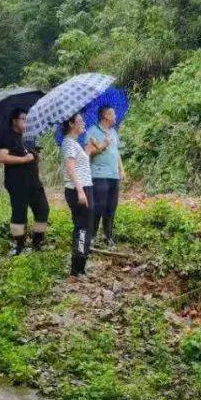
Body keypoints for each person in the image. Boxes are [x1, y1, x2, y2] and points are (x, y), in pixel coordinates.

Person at [0, 108, 49, 256]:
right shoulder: (6, 136)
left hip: (33, 181)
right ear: (14, 120)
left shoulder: (29, 137)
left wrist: (36, 155)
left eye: (28, 119)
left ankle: (37, 243)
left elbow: (32, 155)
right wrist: (23, 159)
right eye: (23, 119)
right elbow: (2, 157)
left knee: (43, 209)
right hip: (17, 182)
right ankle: (18, 246)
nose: (26, 122)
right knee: (19, 213)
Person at [60, 113, 95, 277]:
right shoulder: (68, 143)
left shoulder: (74, 143)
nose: (83, 123)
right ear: (71, 123)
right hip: (78, 190)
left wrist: (87, 150)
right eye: (80, 121)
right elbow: (70, 168)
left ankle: (80, 265)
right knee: (83, 228)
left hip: (83, 188)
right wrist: (81, 191)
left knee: (84, 226)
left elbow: (80, 164)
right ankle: (77, 268)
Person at [88, 105, 125, 245]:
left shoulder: (113, 132)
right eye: (113, 114)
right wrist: (103, 144)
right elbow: (89, 152)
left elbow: (116, 152)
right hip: (99, 174)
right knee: (99, 205)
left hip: (113, 175)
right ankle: (91, 236)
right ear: (105, 116)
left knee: (111, 206)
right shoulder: (93, 131)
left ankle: (108, 236)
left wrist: (122, 169)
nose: (115, 117)